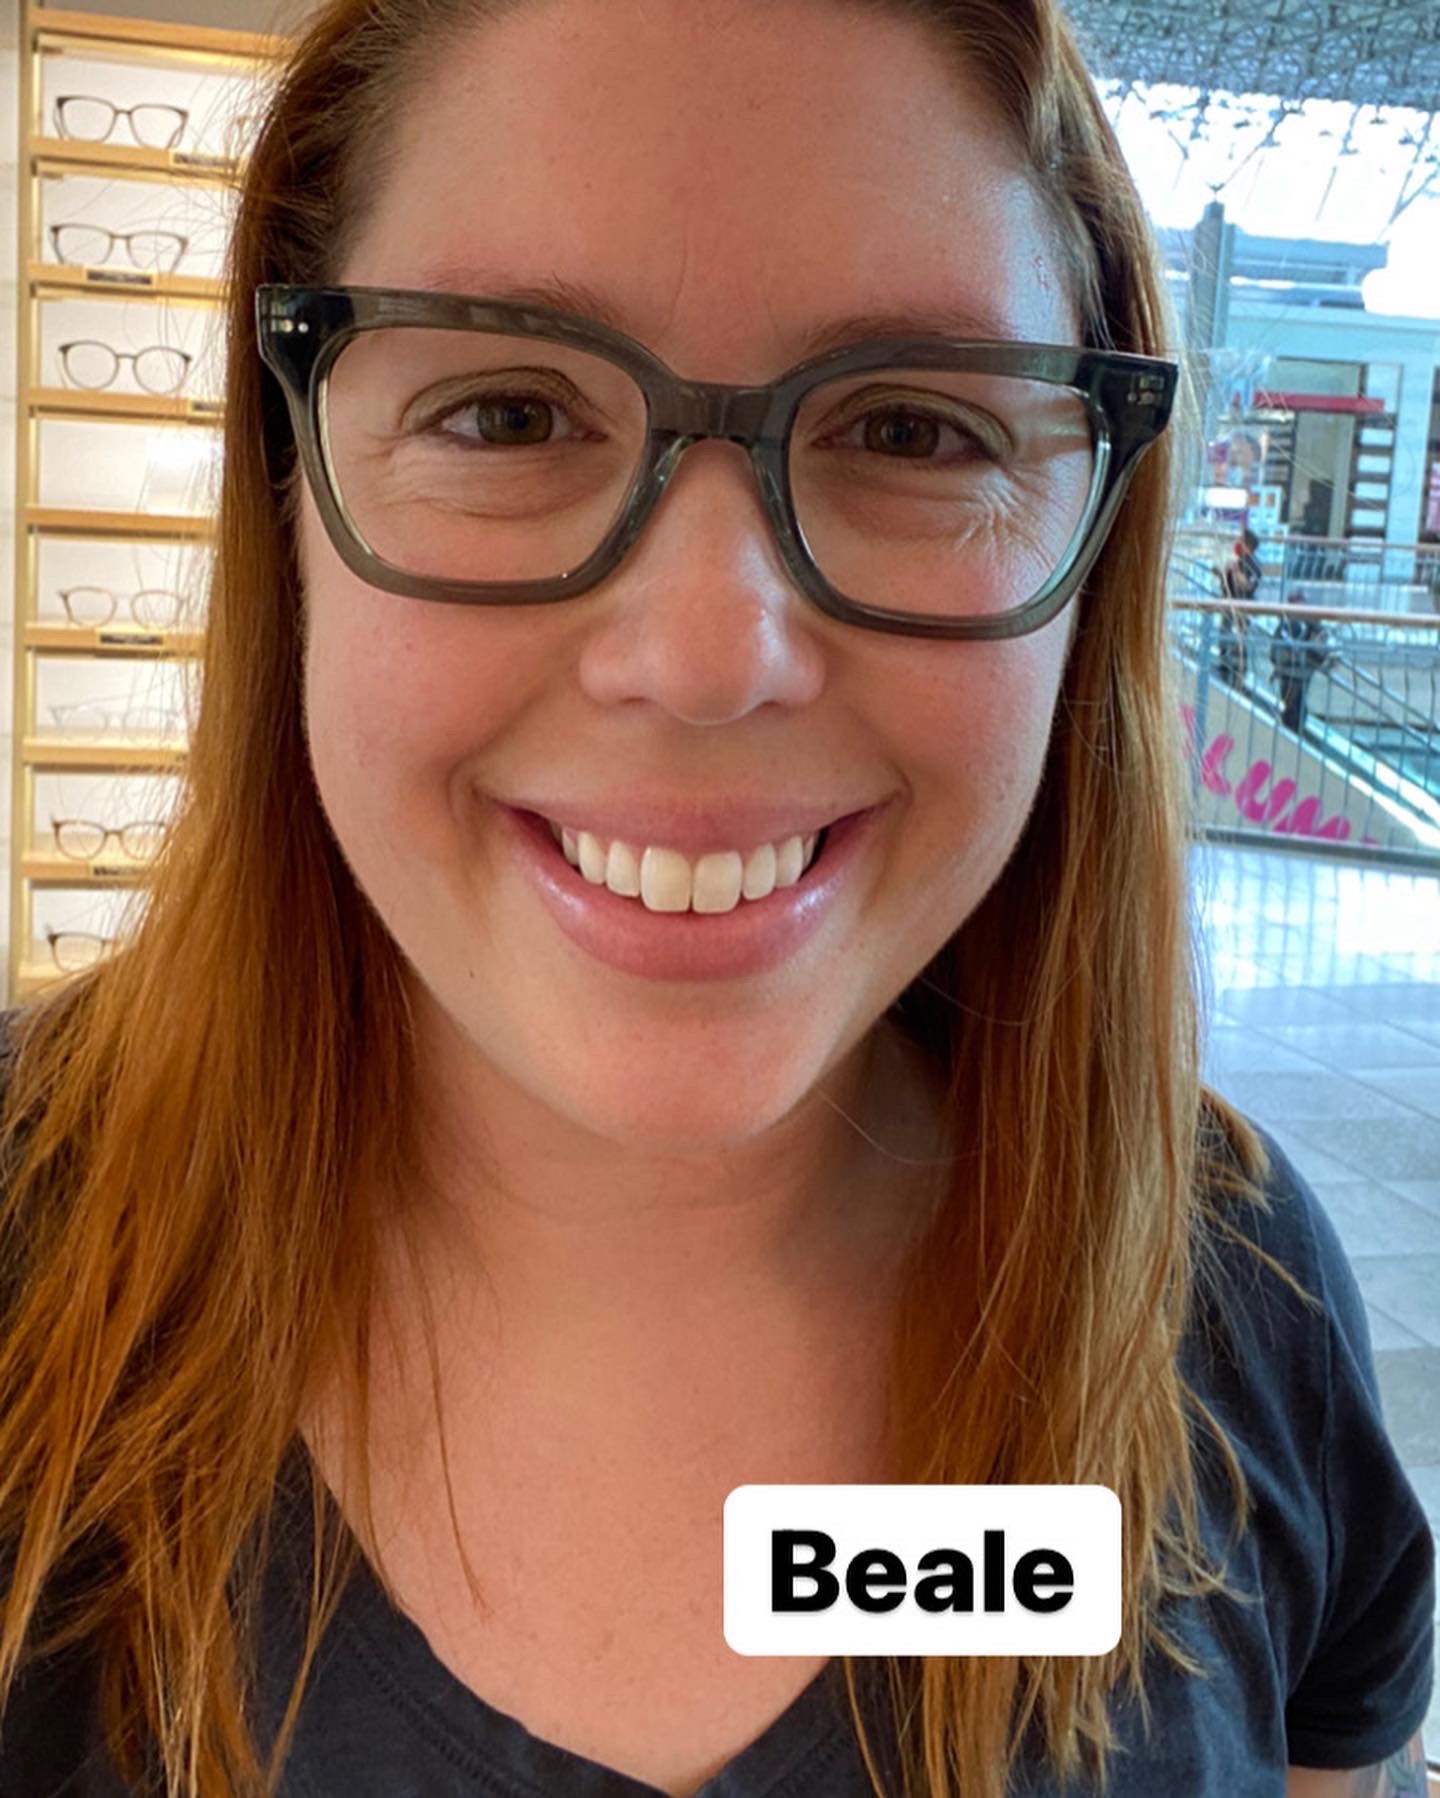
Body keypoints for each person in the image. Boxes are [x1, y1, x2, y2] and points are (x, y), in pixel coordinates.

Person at [0, 2, 1431, 1796]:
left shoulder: (1229, 1282)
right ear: (287, 481)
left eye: (912, 430)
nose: (705, 656)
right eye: (509, 411)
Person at [1271, 600, 1336, 734]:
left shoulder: (1311, 628)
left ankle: (1293, 726)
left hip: (1300, 672)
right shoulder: (1291, 626)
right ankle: (1292, 725)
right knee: (1292, 702)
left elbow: (1323, 653)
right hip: (1291, 671)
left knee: (1295, 702)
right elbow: (1277, 650)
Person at [1214, 526, 1262, 688]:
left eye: (1240, 540)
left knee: (1240, 641)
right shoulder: (1238, 561)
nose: (1236, 543)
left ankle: (1239, 676)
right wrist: (1222, 571)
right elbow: (1226, 579)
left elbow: (1248, 585)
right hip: (1228, 604)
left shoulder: (1252, 564)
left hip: (1242, 607)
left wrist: (1235, 572)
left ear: (1247, 544)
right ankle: (1224, 665)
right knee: (1224, 635)